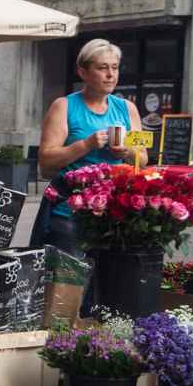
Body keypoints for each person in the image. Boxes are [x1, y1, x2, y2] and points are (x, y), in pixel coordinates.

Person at [32, 39, 145, 254]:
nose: (111, 75)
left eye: (115, 67)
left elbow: (143, 158)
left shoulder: (127, 109)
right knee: (70, 285)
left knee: (108, 283)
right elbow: (45, 161)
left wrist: (126, 151)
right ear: (83, 72)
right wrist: (86, 144)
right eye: (102, 68)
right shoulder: (64, 106)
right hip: (70, 214)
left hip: (114, 213)